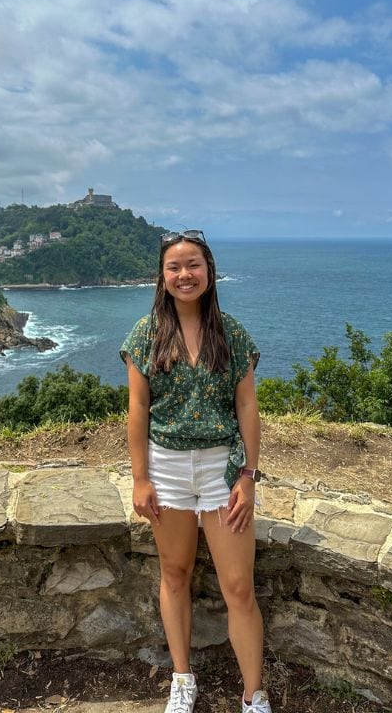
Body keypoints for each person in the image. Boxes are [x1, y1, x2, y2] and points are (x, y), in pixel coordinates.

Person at [120, 230, 272, 713]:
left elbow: (247, 405)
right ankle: (182, 679)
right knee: (175, 573)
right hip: (165, 468)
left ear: (209, 271)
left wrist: (249, 475)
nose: (184, 275)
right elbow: (138, 408)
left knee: (239, 587)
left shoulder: (232, 331)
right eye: (174, 267)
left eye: (193, 265)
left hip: (220, 469)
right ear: (162, 278)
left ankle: (253, 695)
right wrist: (141, 478)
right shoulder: (145, 333)